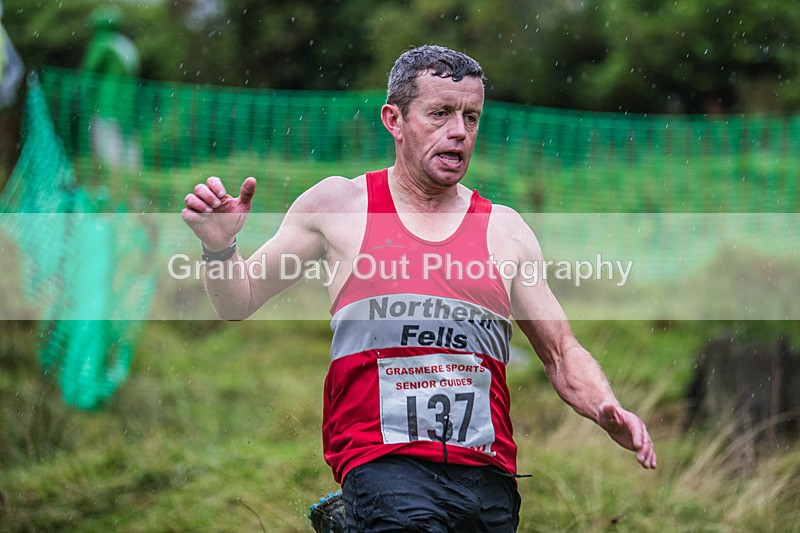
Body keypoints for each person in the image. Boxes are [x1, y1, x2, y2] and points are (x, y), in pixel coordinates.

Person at [182, 45, 657, 531]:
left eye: (471, 117)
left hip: (487, 477)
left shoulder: (506, 232)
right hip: (382, 464)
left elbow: (560, 351)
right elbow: (237, 301)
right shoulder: (339, 207)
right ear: (394, 119)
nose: (459, 132)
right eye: (440, 114)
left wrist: (607, 408)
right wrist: (220, 249)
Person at [81, 5, 141, 172]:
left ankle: (111, 178)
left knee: (107, 144)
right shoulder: (125, 44)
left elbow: (89, 72)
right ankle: (130, 177)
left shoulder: (102, 43)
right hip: (127, 103)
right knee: (127, 142)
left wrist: (83, 93)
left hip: (106, 102)